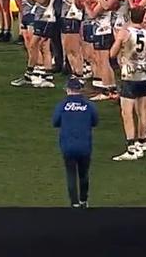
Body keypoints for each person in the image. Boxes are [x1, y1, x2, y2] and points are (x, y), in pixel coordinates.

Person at [111, 6, 146, 160]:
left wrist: (119, 41)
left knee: (127, 113)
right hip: (143, 75)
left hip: (129, 75)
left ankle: (131, 147)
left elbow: (112, 52)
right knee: (142, 110)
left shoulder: (126, 32)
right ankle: (142, 141)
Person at [52, 78, 98, 207]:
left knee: (71, 174)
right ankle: (83, 200)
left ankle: (74, 203)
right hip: (85, 146)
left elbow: (55, 122)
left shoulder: (62, 105)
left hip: (68, 146)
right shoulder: (89, 105)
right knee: (83, 174)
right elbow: (95, 121)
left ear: (68, 89)